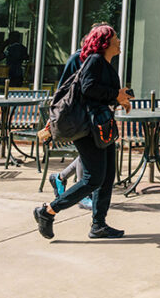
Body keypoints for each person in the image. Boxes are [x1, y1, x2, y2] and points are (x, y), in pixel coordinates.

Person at [33, 24, 133, 240]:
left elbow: (98, 93)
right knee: (93, 179)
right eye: (116, 37)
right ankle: (48, 210)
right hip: (88, 128)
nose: (119, 41)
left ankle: (99, 225)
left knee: (107, 177)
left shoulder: (104, 63)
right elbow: (87, 89)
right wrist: (115, 94)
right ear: (105, 42)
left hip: (101, 125)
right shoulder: (95, 60)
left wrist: (119, 98)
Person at [48, 23, 108, 210]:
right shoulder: (77, 58)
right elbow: (63, 89)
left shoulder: (99, 60)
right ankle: (81, 196)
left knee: (90, 156)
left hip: (93, 117)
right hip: (77, 117)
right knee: (88, 156)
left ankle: (60, 177)